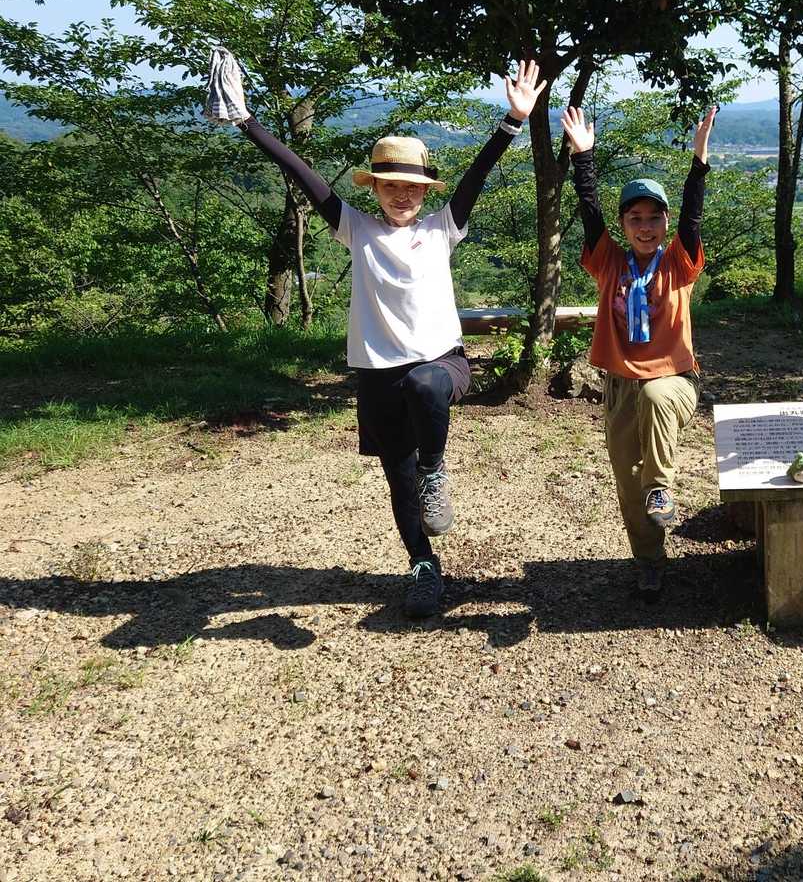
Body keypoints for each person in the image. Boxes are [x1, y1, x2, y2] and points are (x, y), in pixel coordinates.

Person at [204, 48, 547, 618]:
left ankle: (436, 469)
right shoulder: (355, 228)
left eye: (412, 185)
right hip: (377, 375)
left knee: (425, 388)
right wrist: (246, 121)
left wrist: (513, 120)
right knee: (398, 478)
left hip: (441, 362)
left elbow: (478, 175)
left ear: (426, 190)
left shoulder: (443, 228)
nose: (402, 194)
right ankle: (423, 566)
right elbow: (302, 174)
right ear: (375, 188)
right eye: (391, 184)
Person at [559, 103, 716, 602]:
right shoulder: (609, 262)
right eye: (635, 218)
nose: (645, 226)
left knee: (655, 396)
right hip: (619, 386)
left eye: (653, 218)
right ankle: (649, 561)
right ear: (624, 225)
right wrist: (583, 158)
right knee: (628, 482)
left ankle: (662, 485)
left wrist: (699, 161)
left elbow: (694, 215)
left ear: (665, 222)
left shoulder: (679, 263)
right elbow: (589, 214)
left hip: (674, 383)